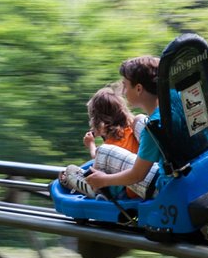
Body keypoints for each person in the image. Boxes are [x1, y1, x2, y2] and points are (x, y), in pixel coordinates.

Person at [63, 55, 186, 200]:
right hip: (188, 168)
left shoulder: (154, 127)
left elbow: (137, 175)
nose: (123, 92)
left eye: (126, 85)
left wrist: (104, 179)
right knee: (139, 119)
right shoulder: (177, 100)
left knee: (104, 151)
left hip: (165, 186)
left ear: (139, 89)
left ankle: (94, 187)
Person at [60, 85, 149, 199]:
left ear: (98, 121)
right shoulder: (133, 130)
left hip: (128, 191)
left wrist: (91, 145)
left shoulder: (109, 147)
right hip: (143, 181)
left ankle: (98, 192)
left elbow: (99, 160)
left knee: (71, 171)